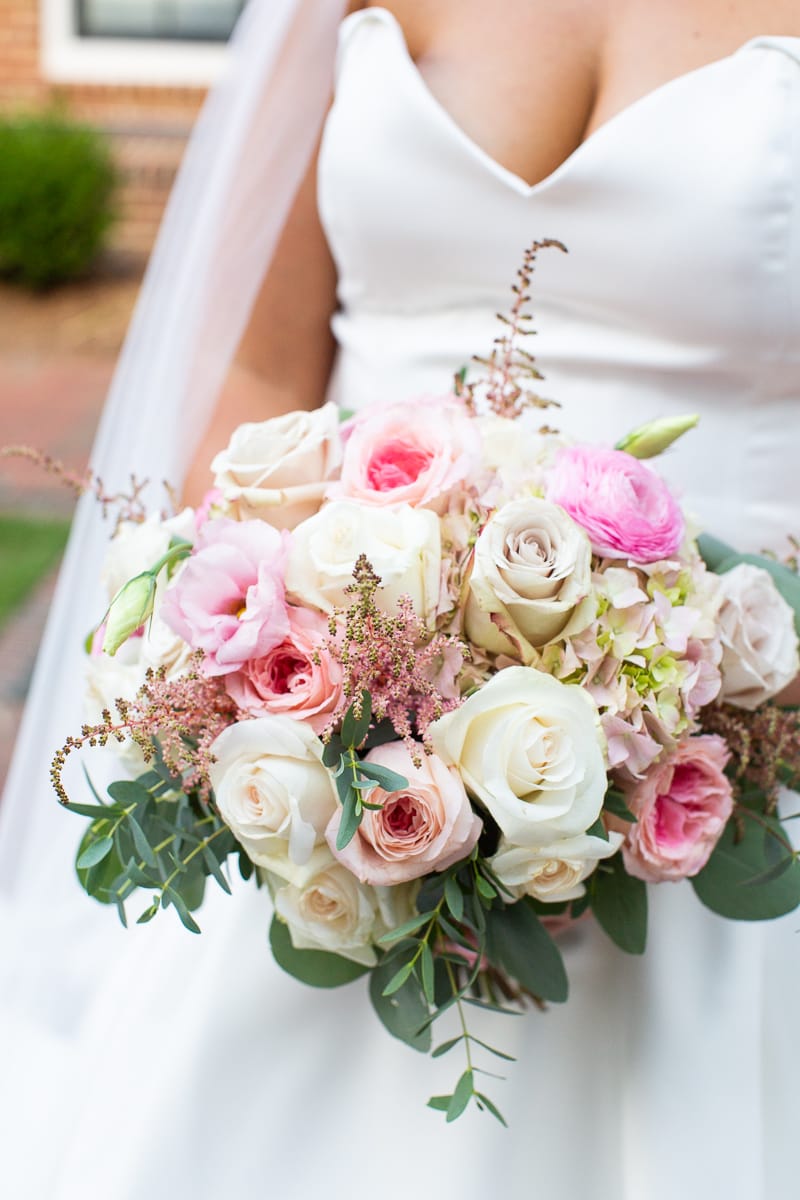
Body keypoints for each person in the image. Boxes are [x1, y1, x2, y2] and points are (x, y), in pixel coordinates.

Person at [1, 1, 799, 1196]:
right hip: (334, 782)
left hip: (728, 773)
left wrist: (654, 744)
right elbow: (260, 365)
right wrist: (248, 695)